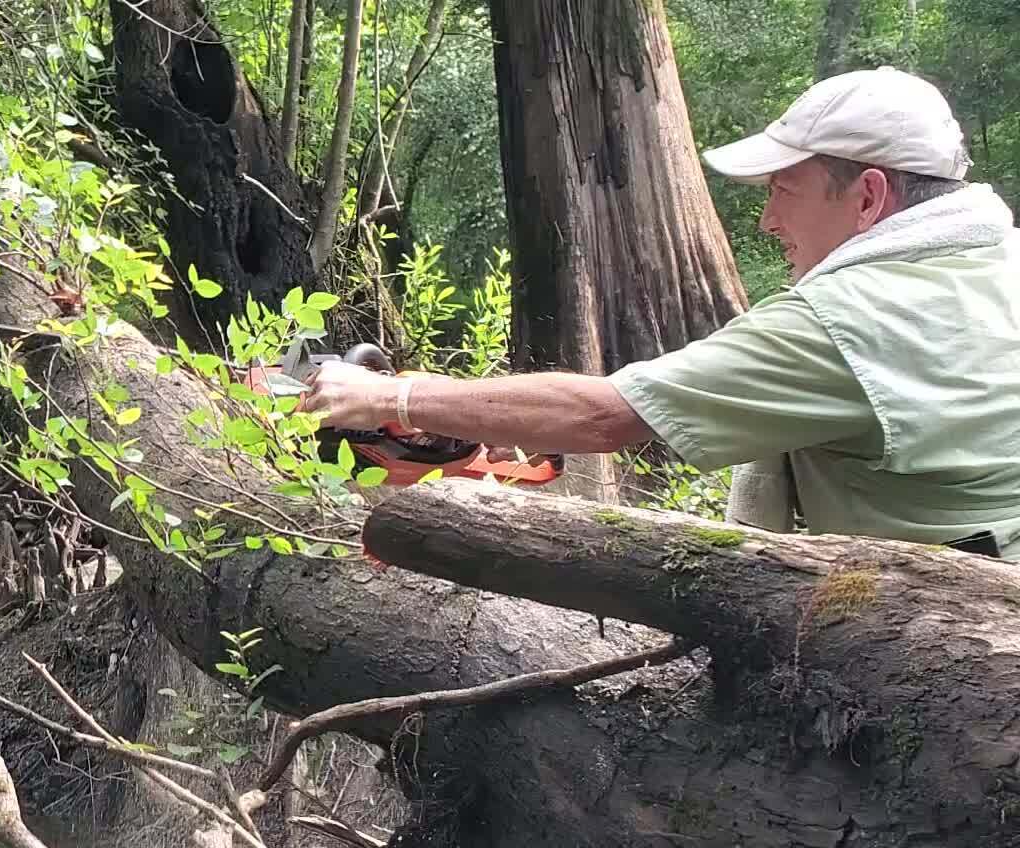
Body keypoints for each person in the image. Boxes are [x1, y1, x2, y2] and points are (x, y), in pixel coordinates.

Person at [303, 66, 1020, 560]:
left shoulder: (854, 319)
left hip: (956, 653)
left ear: (867, 197)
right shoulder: (997, 263)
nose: (768, 219)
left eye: (782, 190)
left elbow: (607, 417)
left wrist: (389, 396)